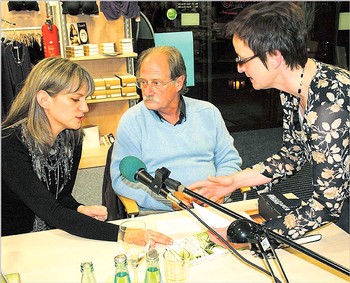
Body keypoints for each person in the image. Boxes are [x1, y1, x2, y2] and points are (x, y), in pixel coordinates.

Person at [189, 2, 349, 240]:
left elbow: (327, 204)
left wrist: (253, 235)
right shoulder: (296, 86)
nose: (240, 69)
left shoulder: (328, 107)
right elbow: (293, 154)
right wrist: (234, 181)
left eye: (243, 60)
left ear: (274, 57)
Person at [1, 57, 173, 246]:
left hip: (46, 238)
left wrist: (78, 208)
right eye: (75, 99)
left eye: (85, 98)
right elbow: (51, 211)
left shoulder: (72, 138)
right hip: (12, 244)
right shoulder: (10, 144)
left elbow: (61, 197)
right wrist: (123, 233)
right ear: (44, 99)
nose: (85, 107)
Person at [110, 46, 242, 212]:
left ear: (179, 82)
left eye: (156, 83)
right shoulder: (133, 121)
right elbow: (121, 178)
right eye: (143, 82)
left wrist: (216, 191)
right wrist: (166, 200)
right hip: (161, 213)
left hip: (213, 206)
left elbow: (229, 160)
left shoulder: (208, 113)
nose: (148, 91)